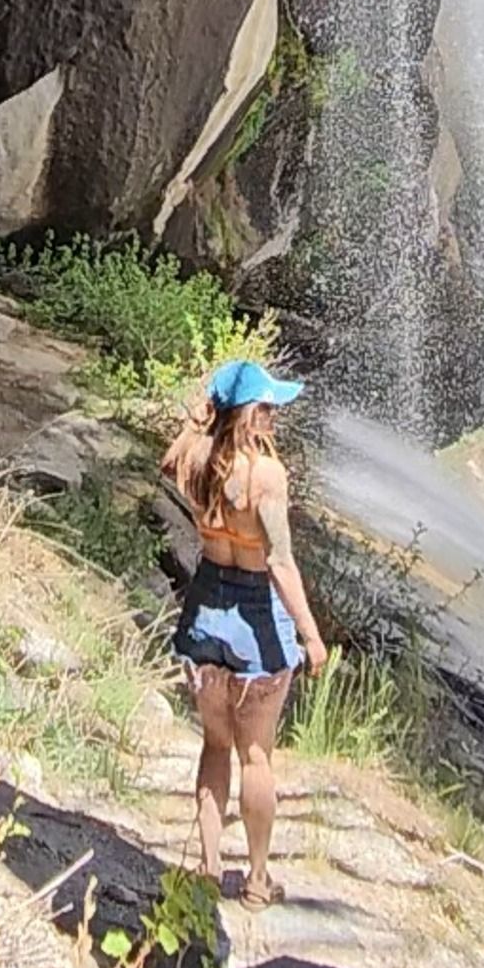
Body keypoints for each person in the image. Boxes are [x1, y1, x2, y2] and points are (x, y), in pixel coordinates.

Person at [163, 355, 328, 908]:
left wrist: (202, 414)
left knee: (214, 744)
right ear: (249, 413)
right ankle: (257, 879)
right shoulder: (267, 476)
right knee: (256, 754)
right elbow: (280, 561)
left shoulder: (192, 458)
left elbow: (177, 452)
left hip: (206, 603)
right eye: (267, 407)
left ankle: (209, 870)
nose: (275, 415)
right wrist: (310, 635)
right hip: (257, 613)